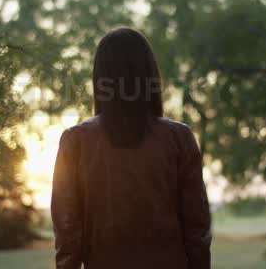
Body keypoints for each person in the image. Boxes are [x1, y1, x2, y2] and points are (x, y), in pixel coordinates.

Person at [51, 27, 212, 269]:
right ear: (150, 75)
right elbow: (197, 231)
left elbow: (68, 236)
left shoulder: (75, 141)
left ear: (99, 77)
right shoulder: (179, 138)